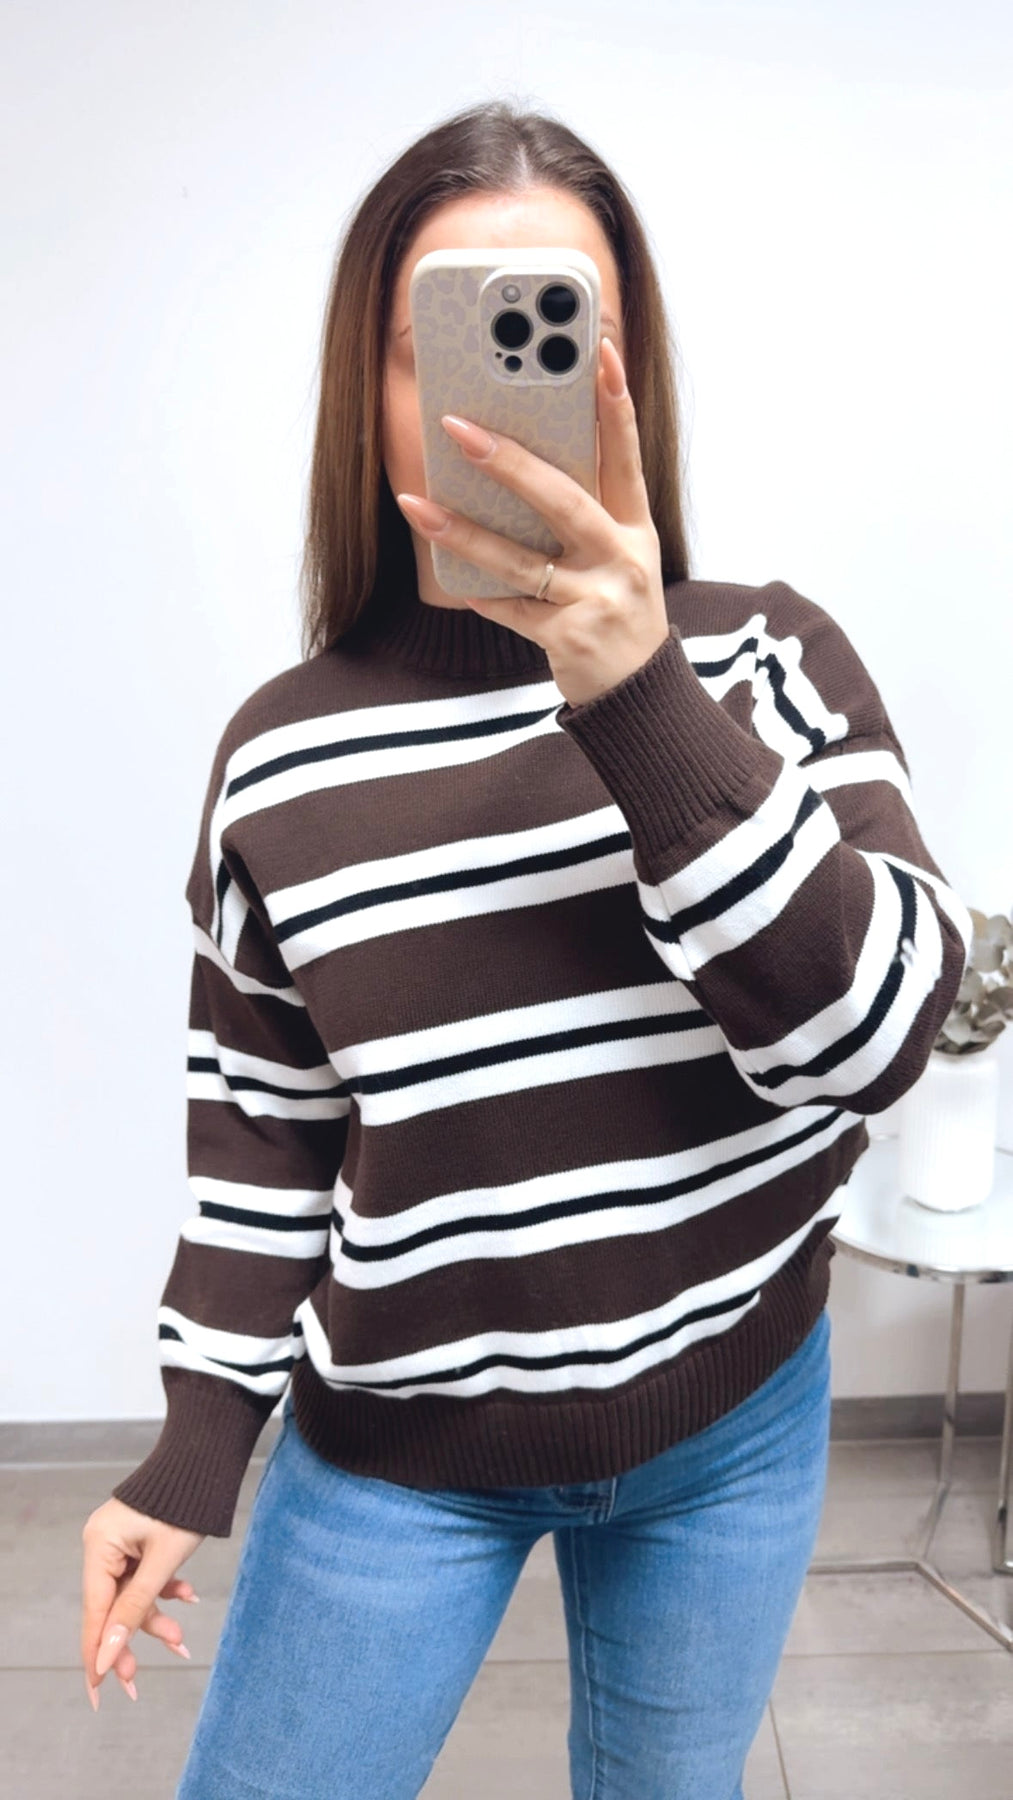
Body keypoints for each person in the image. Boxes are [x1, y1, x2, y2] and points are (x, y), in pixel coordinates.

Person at [80, 99, 972, 1798]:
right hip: (398, 1457)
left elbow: (872, 1041)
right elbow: (265, 1131)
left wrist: (636, 693)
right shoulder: (279, 756)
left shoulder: (765, 662)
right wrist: (195, 1445)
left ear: (633, 380)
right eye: (442, 339)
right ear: (369, 388)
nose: (499, 394)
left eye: (562, 331)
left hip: (732, 1421)